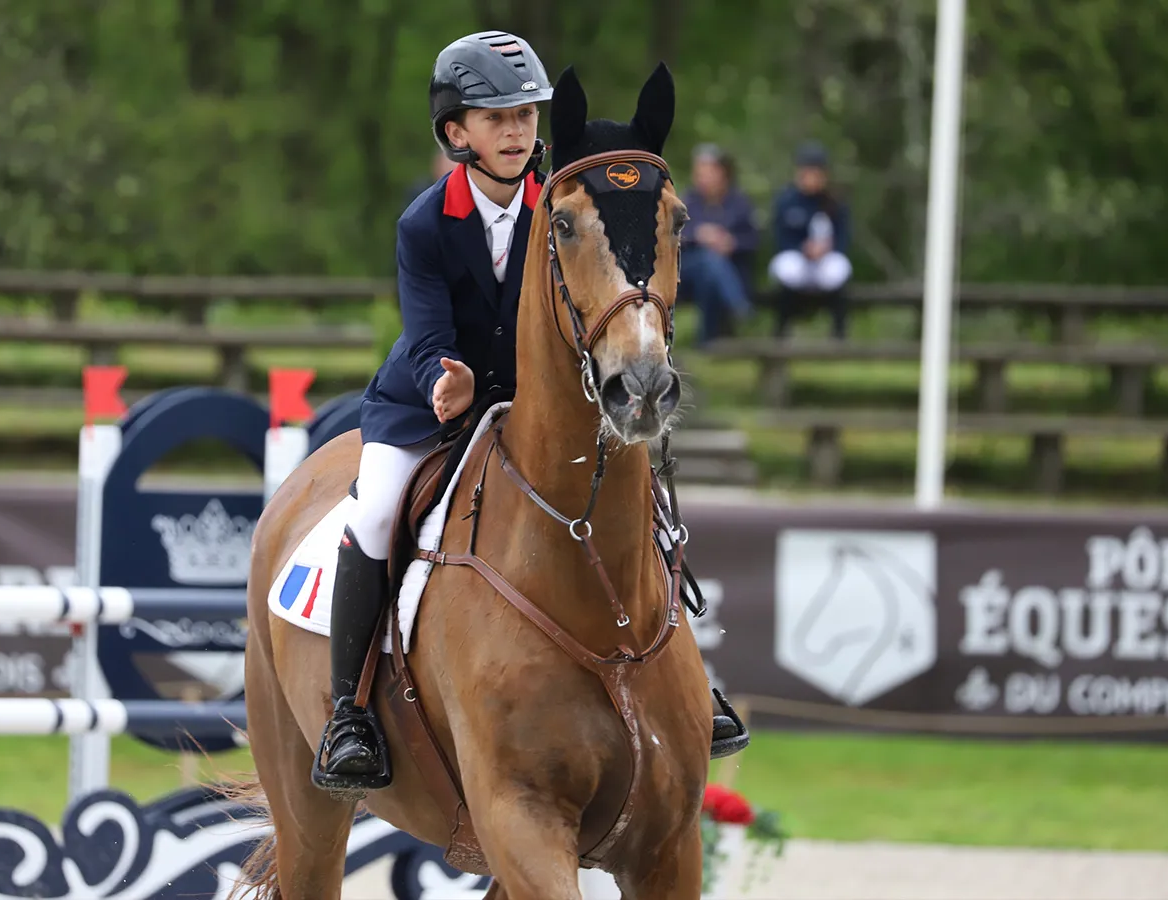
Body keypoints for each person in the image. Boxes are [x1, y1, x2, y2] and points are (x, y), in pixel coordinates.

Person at [314, 31, 749, 794]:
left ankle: (686, 686)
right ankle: (347, 713)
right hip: (429, 398)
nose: (517, 132)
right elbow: (424, 332)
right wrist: (442, 381)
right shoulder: (424, 223)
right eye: (496, 118)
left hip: (536, 399)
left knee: (638, 497)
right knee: (377, 510)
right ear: (457, 133)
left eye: (525, 116)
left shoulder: (567, 198)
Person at [768, 140, 853, 339]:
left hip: (825, 261)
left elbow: (844, 236)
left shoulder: (835, 202)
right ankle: (782, 328)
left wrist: (828, 249)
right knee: (786, 269)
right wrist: (802, 248)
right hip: (798, 259)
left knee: (839, 269)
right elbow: (780, 237)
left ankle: (839, 330)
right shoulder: (787, 200)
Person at [679, 143, 758, 343]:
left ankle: (706, 341)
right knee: (708, 260)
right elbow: (672, 238)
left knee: (710, 272)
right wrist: (699, 236)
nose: (702, 178)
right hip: (687, 272)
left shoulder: (739, 203)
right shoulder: (686, 202)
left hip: (728, 271)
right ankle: (739, 307)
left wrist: (731, 243)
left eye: (707, 172)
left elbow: (753, 240)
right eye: (698, 173)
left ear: (722, 173)